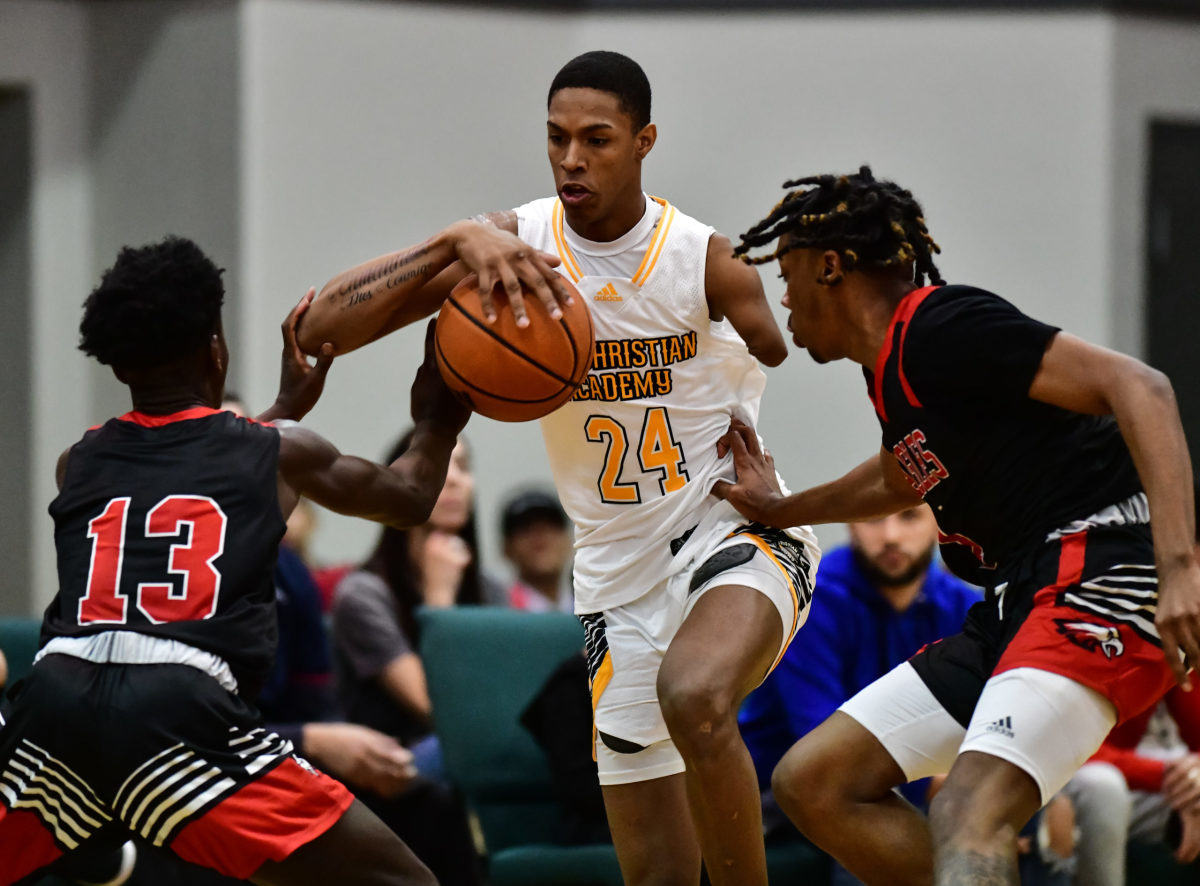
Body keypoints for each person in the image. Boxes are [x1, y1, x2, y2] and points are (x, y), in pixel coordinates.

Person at [297, 50, 821, 886]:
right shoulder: (513, 247)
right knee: (655, 874)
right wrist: (453, 239)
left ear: (645, 141)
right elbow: (319, 326)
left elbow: (789, 343)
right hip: (616, 579)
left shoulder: (703, 259)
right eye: (556, 138)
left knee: (695, 696)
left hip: (732, 534)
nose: (571, 159)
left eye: (597, 139)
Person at [0, 222, 559, 886]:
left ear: (118, 365)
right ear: (216, 349)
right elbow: (408, 497)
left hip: (56, 704)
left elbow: (187, 465)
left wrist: (282, 407)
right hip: (175, 712)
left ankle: (103, 840)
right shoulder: (275, 451)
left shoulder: (80, 461)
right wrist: (437, 420)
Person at [713, 166, 1200, 886]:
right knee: (816, 780)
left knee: (969, 809)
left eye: (787, 275)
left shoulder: (941, 325)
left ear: (831, 266)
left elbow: (1142, 387)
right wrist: (782, 509)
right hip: (1017, 599)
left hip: (1100, 570)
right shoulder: (891, 371)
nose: (782, 297)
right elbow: (897, 479)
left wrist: (1182, 568)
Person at [739, 505, 980, 825]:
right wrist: (948, 789)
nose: (891, 536)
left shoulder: (967, 608)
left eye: (909, 516)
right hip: (782, 792)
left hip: (914, 782)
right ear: (850, 524)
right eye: (873, 517)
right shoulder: (810, 599)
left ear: (939, 524)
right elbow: (824, 751)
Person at [1063, 480, 1200, 884]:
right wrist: (1172, 776)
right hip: (1071, 767)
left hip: (1145, 774)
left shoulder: (1182, 616)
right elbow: (1069, 746)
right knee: (1103, 788)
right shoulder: (1102, 605)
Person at [499, 488, 574, 612]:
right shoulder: (497, 610)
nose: (539, 534)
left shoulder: (597, 610)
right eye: (524, 527)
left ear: (569, 541)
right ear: (506, 548)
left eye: (551, 524)